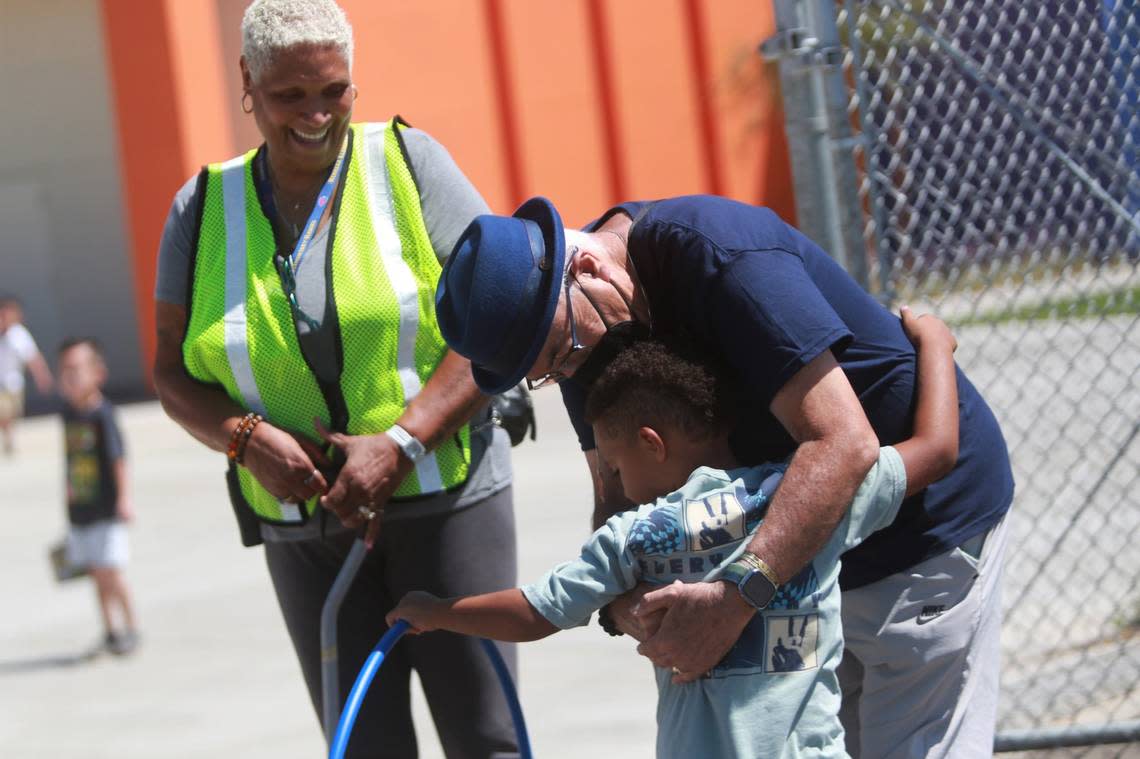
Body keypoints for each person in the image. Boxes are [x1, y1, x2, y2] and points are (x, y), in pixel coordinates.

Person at [436, 195, 1015, 758]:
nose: (573, 372)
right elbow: (613, 504)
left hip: (916, 536)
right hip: (797, 576)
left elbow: (845, 444)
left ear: (586, 267)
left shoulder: (721, 254)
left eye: (566, 352)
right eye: (552, 373)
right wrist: (628, 608)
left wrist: (734, 597)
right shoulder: (577, 330)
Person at [151, 1, 518, 756]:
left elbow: (504, 316)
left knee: (486, 737)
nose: (316, 114)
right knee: (364, 745)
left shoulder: (410, 163)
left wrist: (402, 441)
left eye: (335, 90)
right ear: (247, 83)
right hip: (306, 530)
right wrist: (246, 438)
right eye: (291, 95)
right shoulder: (201, 207)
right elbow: (167, 370)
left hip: (446, 502)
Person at [387, 307, 960, 759]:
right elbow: (936, 451)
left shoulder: (635, 536)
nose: (614, 483)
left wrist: (437, 611)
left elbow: (536, 613)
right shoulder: (805, 500)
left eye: (615, 464)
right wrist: (935, 344)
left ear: (652, 443)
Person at [57, 338, 138, 655]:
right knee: (95, 572)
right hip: (81, 506)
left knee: (111, 572)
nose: (70, 377)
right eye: (65, 370)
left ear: (98, 373)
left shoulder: (103, 414)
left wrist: (124, 499)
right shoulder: (68, 414)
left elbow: (118, 459)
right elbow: (71, 458)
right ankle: (110, 630)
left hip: (106, 507)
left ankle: (131, 626)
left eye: (77, 369)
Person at [0, 296, 54, 456]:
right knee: (3, 412)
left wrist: (42, 376)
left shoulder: (19, 334)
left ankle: (8, 437)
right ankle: (8, 438)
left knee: (10, 414)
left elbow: (32, 357)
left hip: (14, 385)